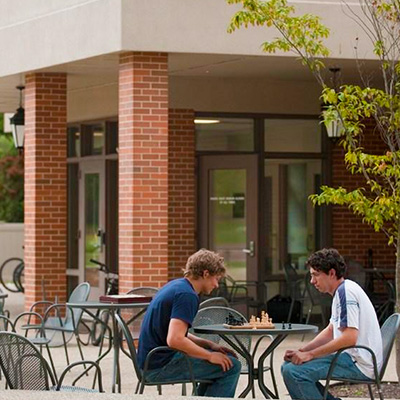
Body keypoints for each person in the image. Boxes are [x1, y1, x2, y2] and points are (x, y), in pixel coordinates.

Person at [137, 248, 241, 397]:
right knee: (232, 366)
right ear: (205, 274)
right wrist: (209, 356)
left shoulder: (176, 286)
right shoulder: (187, 295)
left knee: (219, 362)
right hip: (159, 366)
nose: (217, 285)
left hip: (150, 361)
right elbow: (174, 339)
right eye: (216, 278)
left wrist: (209, 346)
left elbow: (177, 334)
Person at [281, 248, 383, 400]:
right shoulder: (342, 291)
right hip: (353, 357)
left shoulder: (346, 292)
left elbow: (349, 338)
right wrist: (302, 350)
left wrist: (310, 354)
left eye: (316, 275)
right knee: (288, 367)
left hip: (359, 363)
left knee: (294, 372)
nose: (312, 281)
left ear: (332, 273)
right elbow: (330, 330)